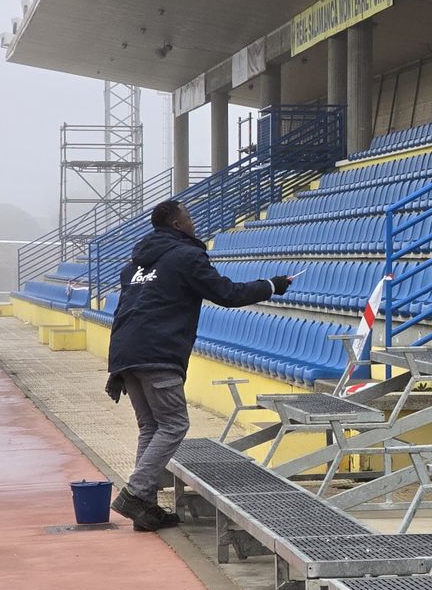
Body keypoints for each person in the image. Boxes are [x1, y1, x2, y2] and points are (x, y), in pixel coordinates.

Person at [105, 200, 293, 531]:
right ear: (177, 224)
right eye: (188, 216)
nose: (193, 221)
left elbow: (124, 312)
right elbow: (227, 293)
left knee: (151, 426)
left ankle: (144, 506)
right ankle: (134, 495)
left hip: (126, 352)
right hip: (158, 351)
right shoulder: (186, 257)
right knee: (174, 424)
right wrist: (270, 285)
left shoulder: (132, 267)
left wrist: (117, 367)